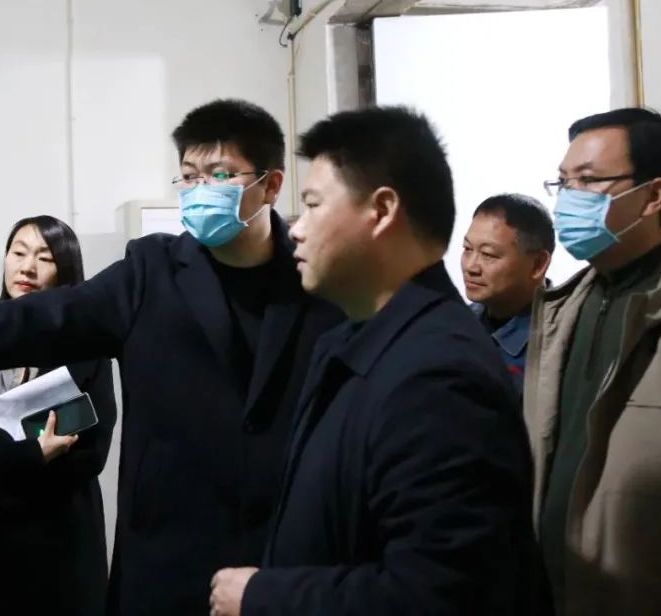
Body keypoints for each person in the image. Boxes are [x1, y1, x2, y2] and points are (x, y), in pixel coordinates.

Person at [0, 99, 344, 615]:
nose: (201, 190)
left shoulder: (321, 282)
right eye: (189, 176)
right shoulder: (151, 273)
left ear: (271, 186)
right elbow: (39, 319)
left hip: (287, 562)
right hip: (168, 563)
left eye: (221, 175)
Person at [211, 107, 542, 616]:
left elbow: (440, 595)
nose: (296, 229)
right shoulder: (359, 342)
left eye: (314, 205)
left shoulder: (439, 378)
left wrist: (263, 596)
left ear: (382, 210)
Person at [531, 108, 661, 616]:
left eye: (588, 180)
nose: (568, 198)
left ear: (653, 195)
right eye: (563, 182)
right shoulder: (559, 310)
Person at [0, 215, 116, 616]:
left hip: (58, 540)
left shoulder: (85, 346)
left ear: (65, 269)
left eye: (44, 257)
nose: (27, 267)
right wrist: (31, 456)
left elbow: (90, 452)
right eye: (18, 253)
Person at [461, 193, 553, 388]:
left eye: (488, 254)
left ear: (538, 264)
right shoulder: (457, 324)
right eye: (467, 249)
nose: (471, 267)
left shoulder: (562, 339)